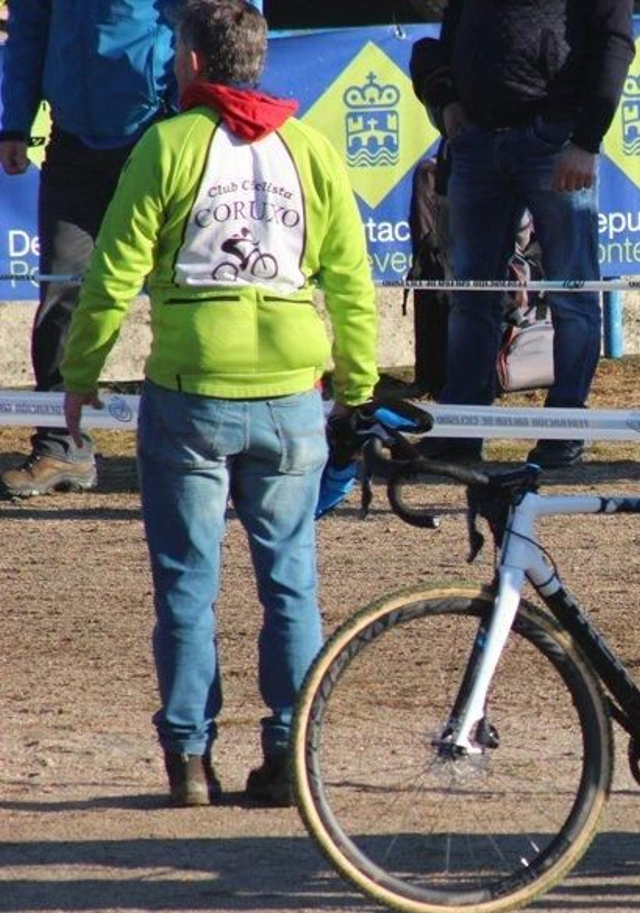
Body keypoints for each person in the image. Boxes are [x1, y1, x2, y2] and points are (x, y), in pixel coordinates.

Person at [58, 0, 378, 807]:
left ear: (193, 64)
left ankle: (191, 760)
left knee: (186, 586)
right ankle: (289, 753)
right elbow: (351, 280)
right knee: (291, 582)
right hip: (292, 399)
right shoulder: (310, 147)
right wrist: (361, 384)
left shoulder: (166, 145)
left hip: (190, 393)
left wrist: (80, 374)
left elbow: (111, 274)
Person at [0, 0, 252, 498]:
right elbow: (30, 25)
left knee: (194, 287)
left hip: (166, 132)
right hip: (71, 142)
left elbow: (234, 22)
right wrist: (14, 120)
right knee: (60, 291)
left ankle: (212, 444)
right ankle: (61, 445)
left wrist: (222, 115)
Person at [411, 0, 634, 468]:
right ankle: (461, 429)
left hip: (556, 140)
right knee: (471, 295)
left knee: (572, 294)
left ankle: (564, 428)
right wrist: (447, 100)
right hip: (476, 141)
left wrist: (586, 141)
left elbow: (614, 45)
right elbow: (451, 38)